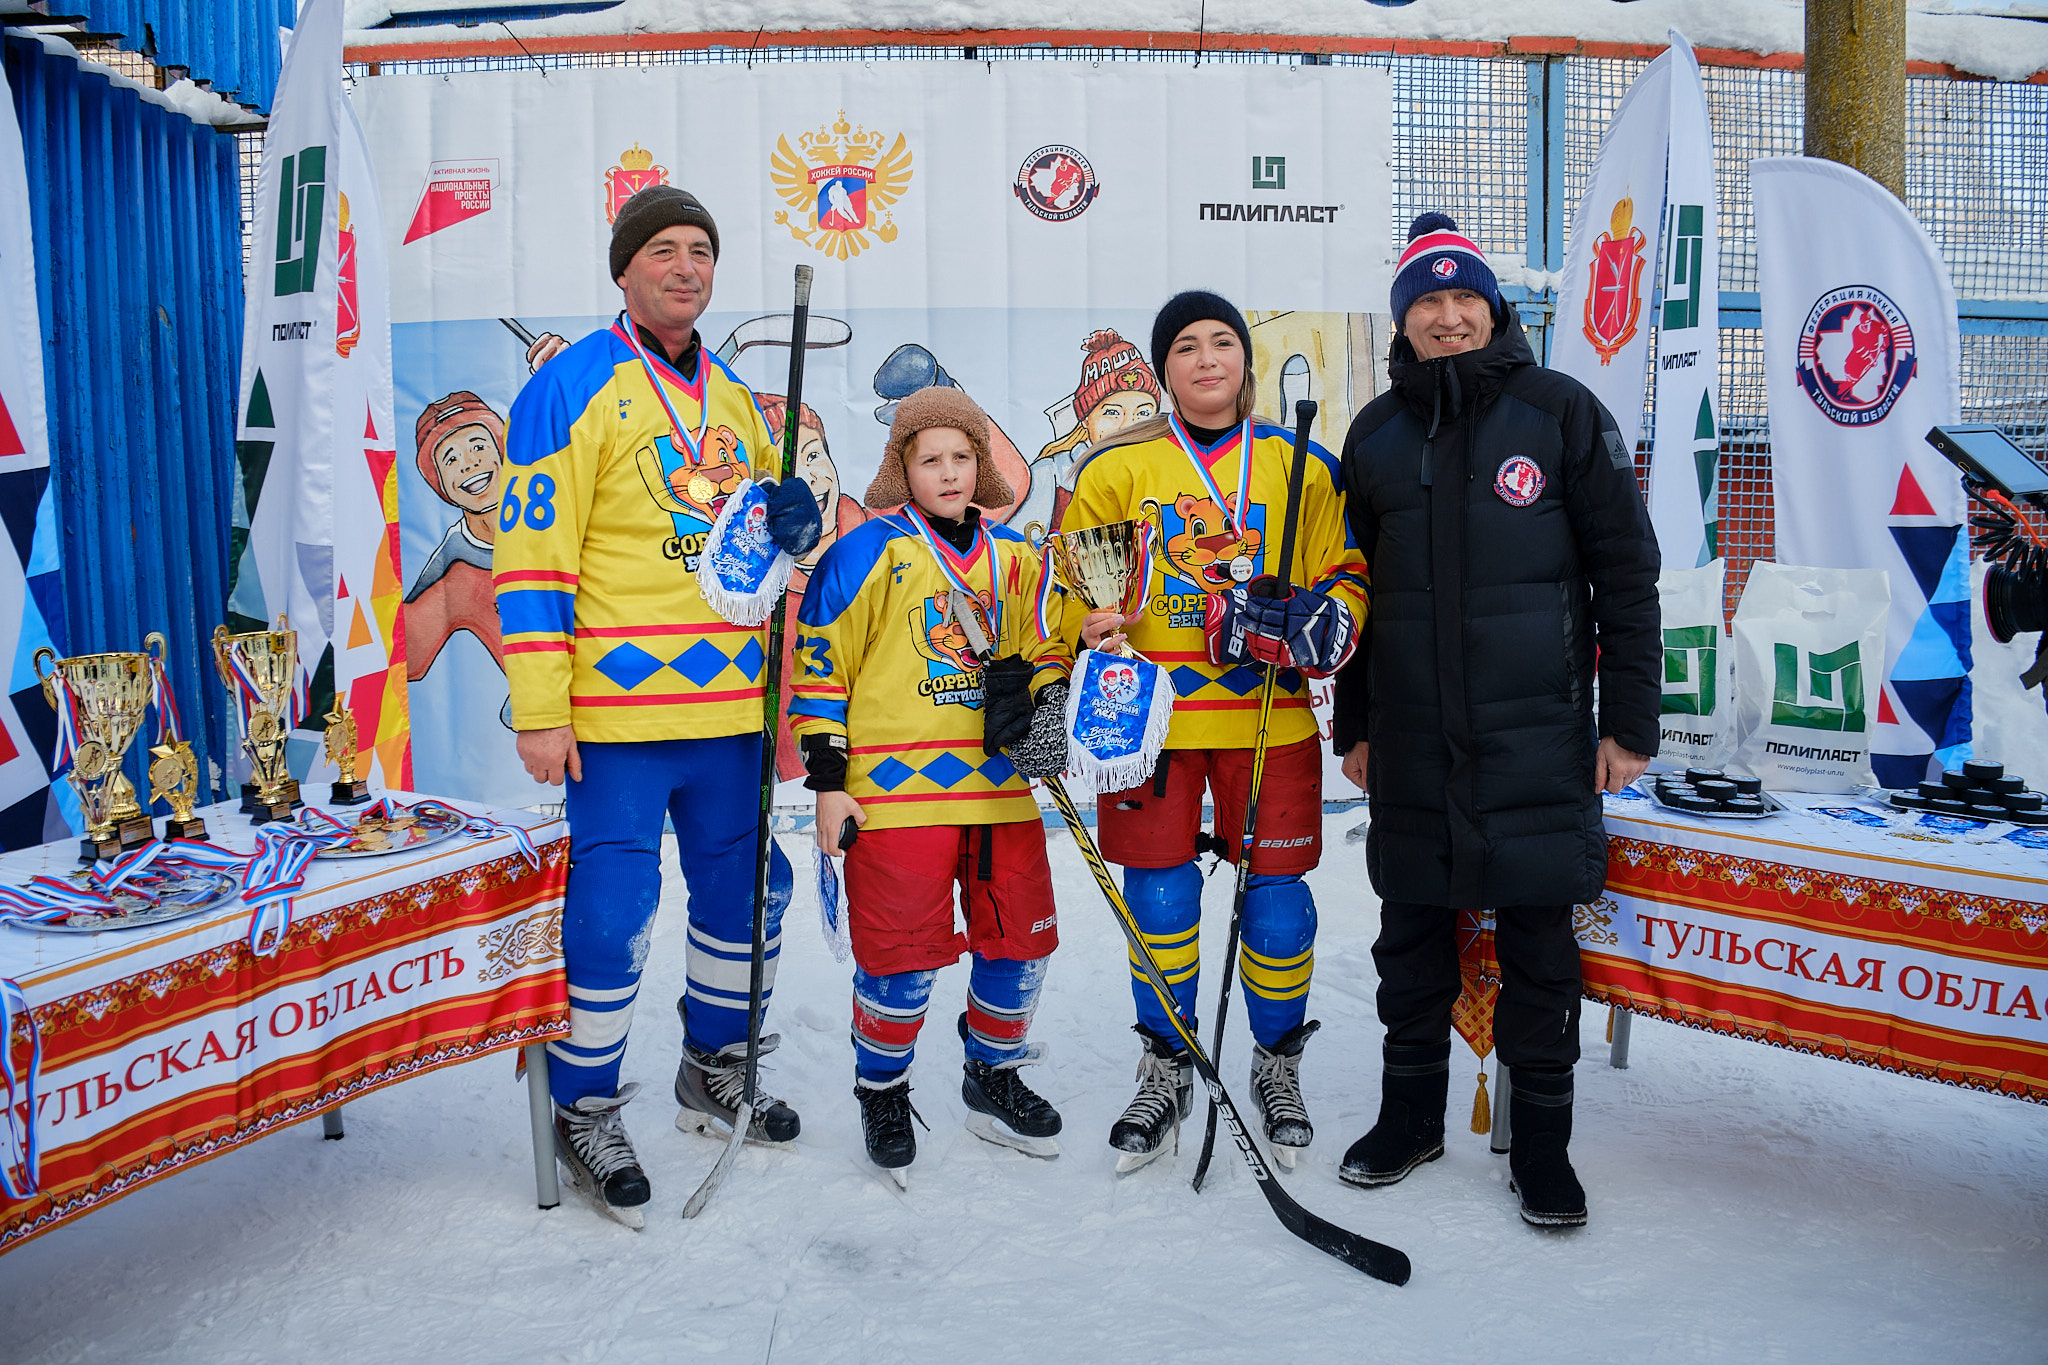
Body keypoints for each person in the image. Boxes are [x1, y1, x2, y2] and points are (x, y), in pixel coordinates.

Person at [495, 185, 824, 1226]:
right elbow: (531, 561)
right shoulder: (569, 387)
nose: (686, 266)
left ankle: (712, 1063)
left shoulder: (730, 396)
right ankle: (583, 1103)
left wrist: (791, 525)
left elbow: (744, 560)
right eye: (664, 250)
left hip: (727, 710)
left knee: (744, 900)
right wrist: (541, 710)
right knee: (609, 917)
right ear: (624, 268)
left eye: (701, 250)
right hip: (616, 722)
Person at [1330, 212, 1660, 1228]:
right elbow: (1352, 595)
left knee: (1537, 943)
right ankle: (1408, 1118)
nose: (1444, 315)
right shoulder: (1375, 434)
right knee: (1411, 938)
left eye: (1459, 296)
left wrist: (1629, 724)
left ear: (1490, 306)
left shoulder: (1560, 412)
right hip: (1414, 737)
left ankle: (1545, 1150)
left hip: (1538, 735)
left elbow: (1626, 573)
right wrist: (1355, 724)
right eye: (1424, 303)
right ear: (1403, 323)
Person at [1055, 290, 1370, 1172]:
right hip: (1150, 721)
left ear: (1245, 360)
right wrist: (1086, 623)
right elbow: (1072, 581)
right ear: (1164, 370)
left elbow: (1346, 570)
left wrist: (1318, 617)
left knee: (1276, 906)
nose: (1205, 359)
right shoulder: (1117, 469)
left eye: (1221, 341)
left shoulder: (1300, 462)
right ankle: (1169, 1062)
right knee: (1157, 897)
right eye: (1185, 346)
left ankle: (1276, 1063)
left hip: (1265, 717)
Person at [791, 387, 1073, 1185]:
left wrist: (1042, 694)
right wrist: (828, 782)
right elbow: (820, 666)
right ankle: (882, 1088)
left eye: (961, 457)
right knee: (899, 961)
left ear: (980, 466)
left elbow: (1045, 645)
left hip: (998, 792)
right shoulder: (867, 552)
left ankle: (994, 1072)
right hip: (894, 798)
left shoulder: (1018, 558)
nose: (948, 473)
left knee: (1021, 945)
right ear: (901, 468)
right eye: (930, 459)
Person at [404, 391, 507, 681]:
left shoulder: (550, 518)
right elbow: (406, 655)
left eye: (478, 446)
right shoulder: (453, 570)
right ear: (439, 482)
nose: (469, 464)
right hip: (530, 713)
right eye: (450, 459)